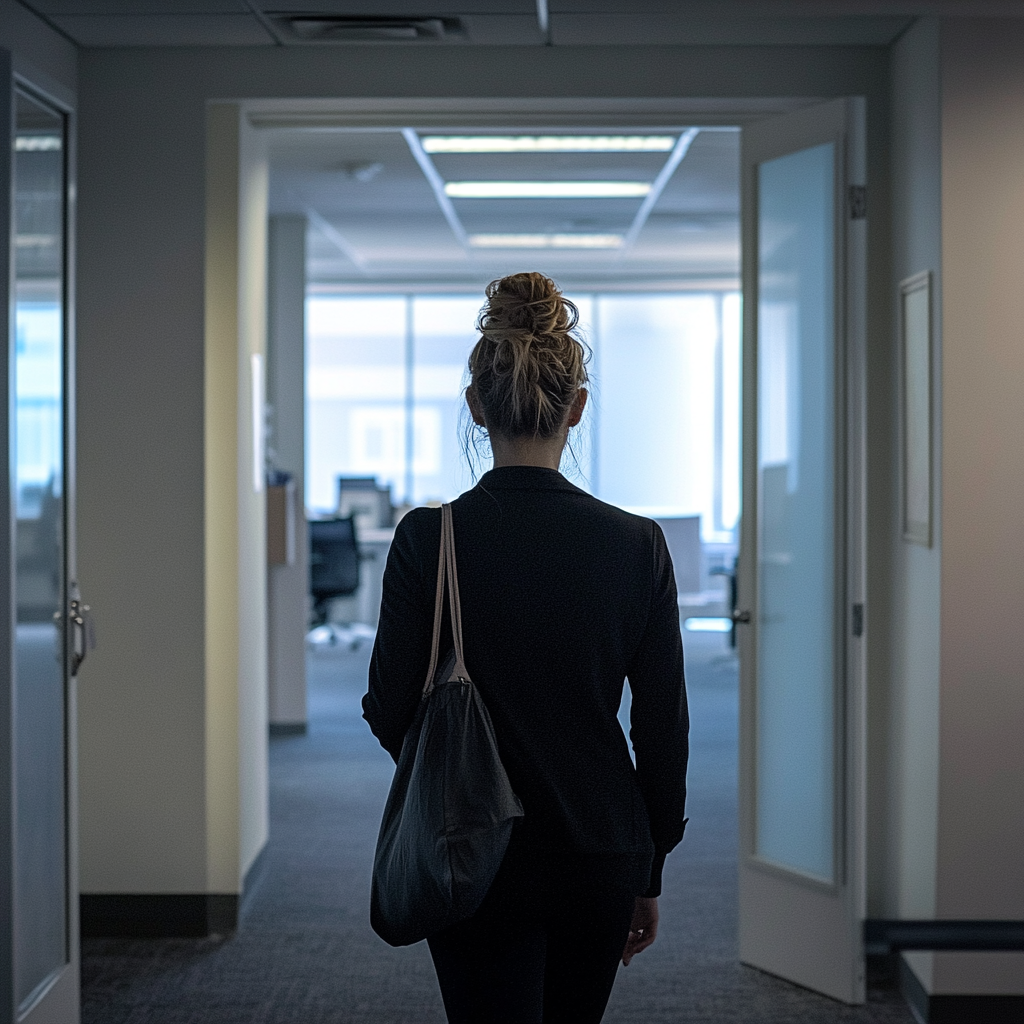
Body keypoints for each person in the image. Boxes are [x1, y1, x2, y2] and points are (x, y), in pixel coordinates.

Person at [362, 272, 689, 1024]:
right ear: (577, 407)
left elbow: (388, 707)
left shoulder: (428, 539)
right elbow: (663, 730)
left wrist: (452, 769)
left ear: (477, 407)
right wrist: (652, 866)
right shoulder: (639, 546)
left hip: (469, 848)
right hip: (601, 848)